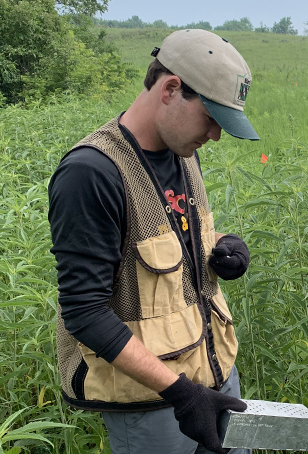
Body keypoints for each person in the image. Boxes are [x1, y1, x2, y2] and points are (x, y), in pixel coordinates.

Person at [49, 29, 259, 454]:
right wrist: (181, 393)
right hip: (152, 403)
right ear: (170, 89)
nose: (215, 136)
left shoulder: (182, 150)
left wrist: (223, 247)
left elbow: (173, 236)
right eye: (212, 119)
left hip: (214, 377)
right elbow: (84, 311)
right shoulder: (91, 173)